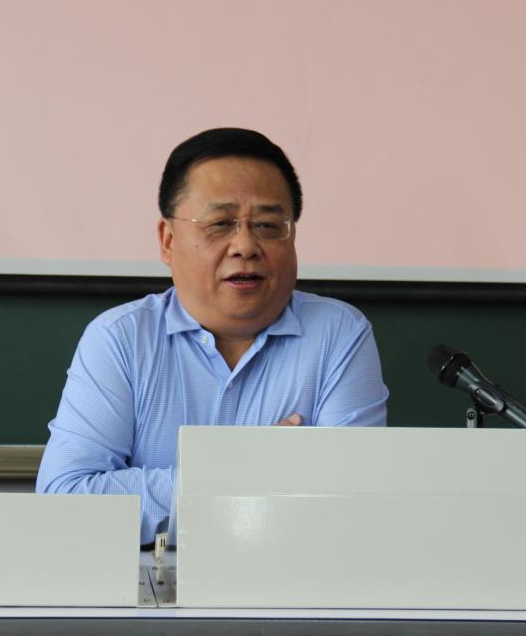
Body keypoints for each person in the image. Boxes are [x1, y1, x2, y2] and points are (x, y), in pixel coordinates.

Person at [36, 127, 388, 544]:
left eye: (268, 225)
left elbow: (350, 504)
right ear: (168, 241)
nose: (245, 245)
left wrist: (195, 490)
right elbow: (67, 500)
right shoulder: (120, 340)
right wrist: (238, 473)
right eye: (220, 224)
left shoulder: (339, 335)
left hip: (291, 577)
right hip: (147, 583)